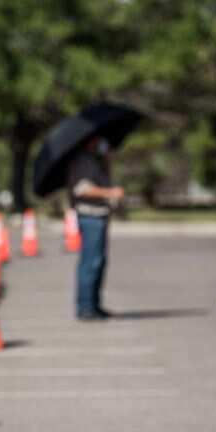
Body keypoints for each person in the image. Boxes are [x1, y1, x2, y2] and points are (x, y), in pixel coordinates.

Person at [67, 135, 125, 321]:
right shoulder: (82, 160)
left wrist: (108, 161)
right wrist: (111, 193)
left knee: (99, 262)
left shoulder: (95, 160)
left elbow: (102, 181)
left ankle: (94, 304)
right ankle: (85, 307)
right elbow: (82, 189)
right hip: (90, 216)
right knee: (90, 263)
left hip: (99, 215)